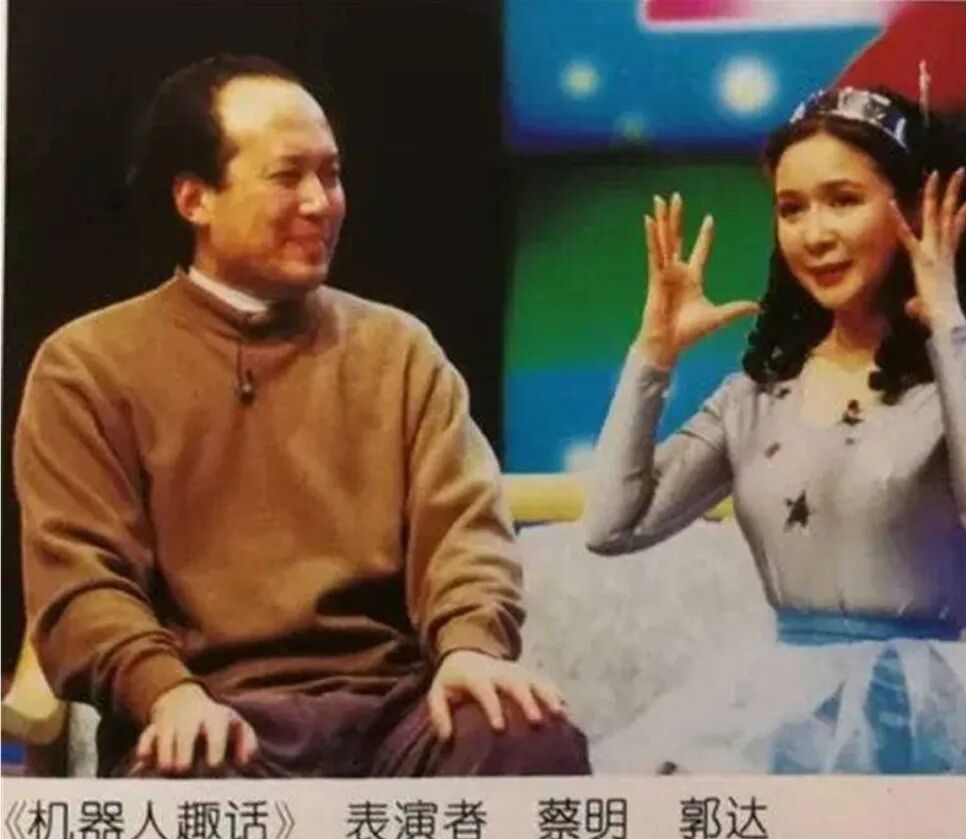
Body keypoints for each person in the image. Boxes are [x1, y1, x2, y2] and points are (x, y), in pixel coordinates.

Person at [15, 54, 589, 777]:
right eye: (288, 177)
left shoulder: (398, 350)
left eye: (332, 175)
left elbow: (465, 534)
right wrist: (166, 693)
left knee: (526, 738)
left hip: (397, 715)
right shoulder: (88, 365)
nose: (321, 203)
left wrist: (471, 647)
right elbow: (81, 583)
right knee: (190, 778)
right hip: (214, 715)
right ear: (194, 199)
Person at [583, 87, 966, 774]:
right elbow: (609, 526)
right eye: (792, 208)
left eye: (843, 200)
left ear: (912, 209)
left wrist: (947, 323)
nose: (814, 235)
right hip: (787, 712)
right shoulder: (754, 396)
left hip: (929, 716)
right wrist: (651, 356)